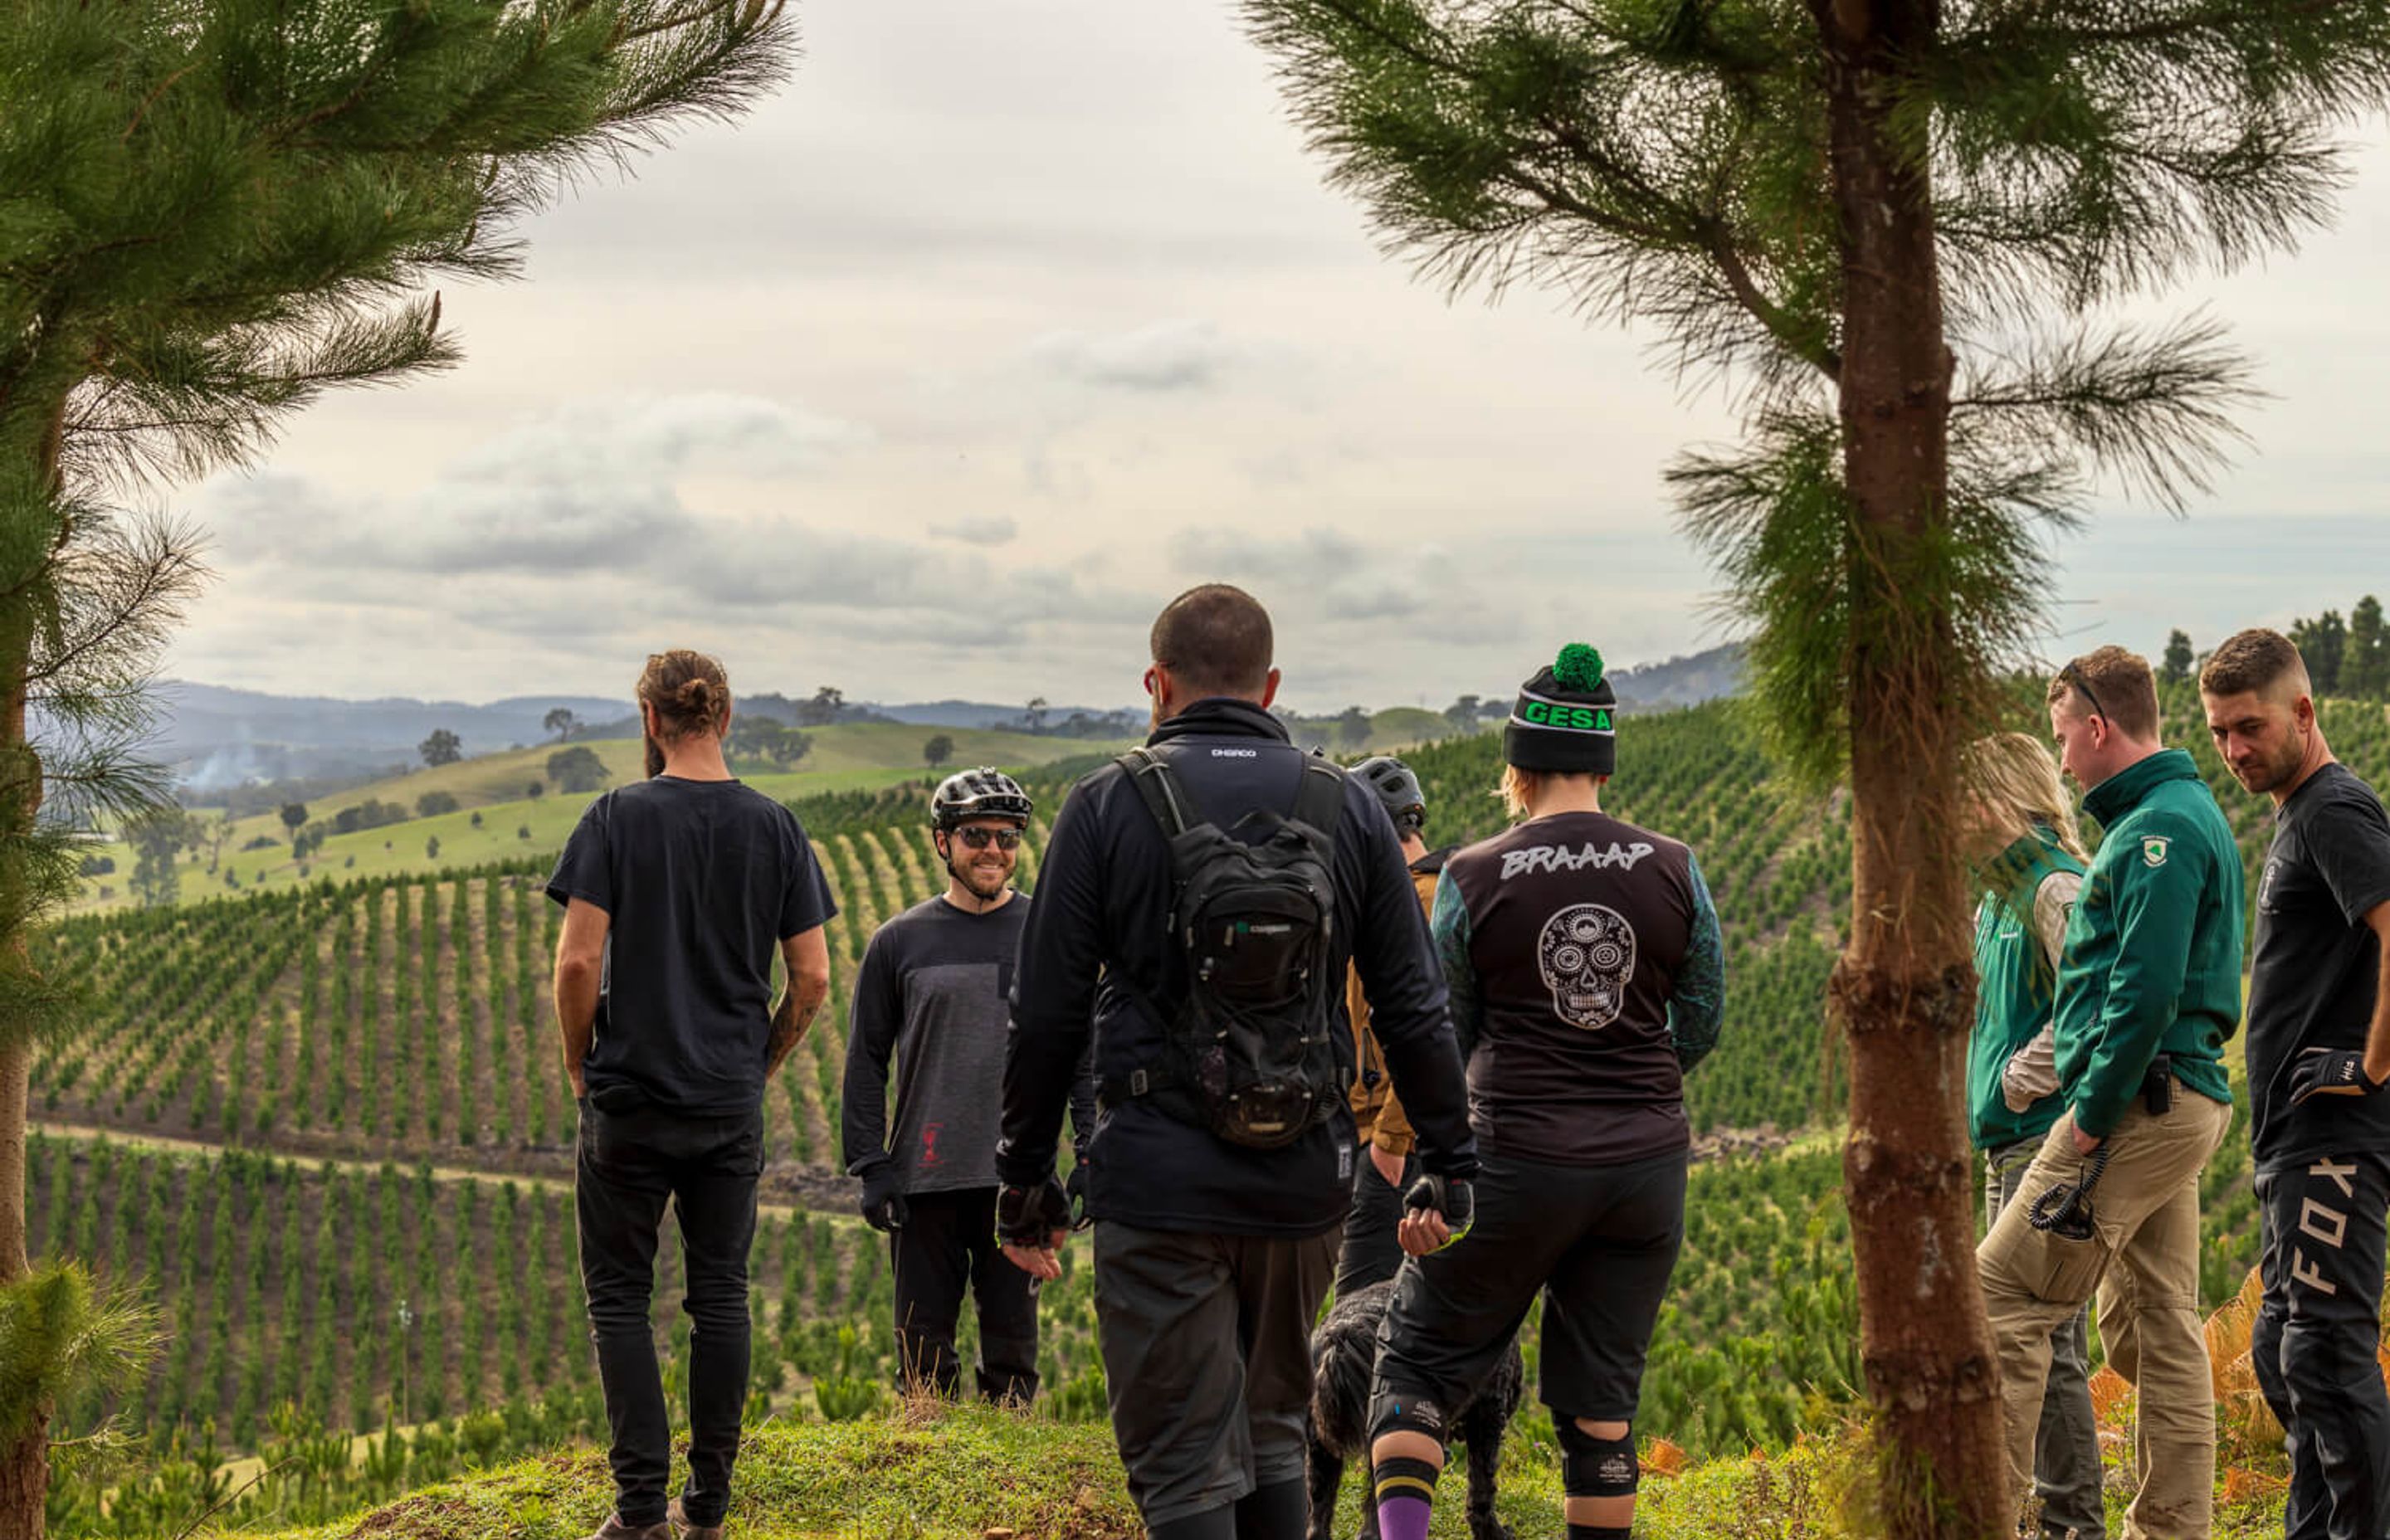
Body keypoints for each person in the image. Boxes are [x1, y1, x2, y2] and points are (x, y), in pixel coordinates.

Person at [994, 583, 1477, 1540]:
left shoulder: (1105, 804)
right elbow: (1413, 1002)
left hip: (1157, 1182)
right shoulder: (1347, 805)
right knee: (1272, 1432)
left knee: (1181, 1464)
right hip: (1304, 1185)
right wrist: (1452, 1162)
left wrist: (1023, 1176)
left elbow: (1046, 1014)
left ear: (1155, 681)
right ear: (1272, 685)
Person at [1362, 642, 1724, 1540]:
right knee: (1601, 1410)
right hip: (1643, 1169)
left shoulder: (1476, 874)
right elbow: (1704, 1017)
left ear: (1517, 767)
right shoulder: (1677, 867)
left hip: (1510, 1158)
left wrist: (1439, 1171)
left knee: (1414, 1365)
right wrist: (1632, 1089)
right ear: (1604, 763)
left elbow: (1441, 1035)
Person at [548, 651, 835, 1540]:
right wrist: (760, 1062)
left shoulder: (615, 818)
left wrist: (577, 1058)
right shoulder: (776, 826)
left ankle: (639, 1512)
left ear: (648, 719)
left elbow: (577, 958)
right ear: (728, 715)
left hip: (630, 1099)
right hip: (725, 1103)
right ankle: (707, 1507)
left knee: (619, 1299)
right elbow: (814, 977)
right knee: (720, 1296)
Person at [1978, 645, 2242, 1540]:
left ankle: (1980, 1518)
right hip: (2178, 1101)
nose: (2059, 761)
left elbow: (2144, 989)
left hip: (2135, 1107)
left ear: (2097, 726)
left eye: (2062, 736)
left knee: (2003, 1297)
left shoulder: (2157, 830)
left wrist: (2087, 1120)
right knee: (2156, 1323)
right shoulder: (2176, 812)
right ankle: (2171, 1527)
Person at [2200, 628, 2390, 1540]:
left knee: (2324, 1354)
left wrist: (2372, 1065)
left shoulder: (2333, 810)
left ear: (2303, 712)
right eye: (2219, 732)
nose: (2235, 749)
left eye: (2250, 726)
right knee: (2283, 1350)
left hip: (2337, 1141)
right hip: (2292, 1142)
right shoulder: (2299, 813)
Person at [841, 768, 1085, 1404]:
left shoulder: (1047, 933)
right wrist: (871, 1165)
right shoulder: (898, 942)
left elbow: (1082, 1052)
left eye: (1008, 838)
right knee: (922, 1361)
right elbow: (865, 1060)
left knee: (1014, 1361)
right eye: (976, 835)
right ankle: (924, 1479)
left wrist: (1089, 1151)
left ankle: (1011, 1494)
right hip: (925, 1177)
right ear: (941, 842)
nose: (994, 851)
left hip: (1021, 1181)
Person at [1961, 732, 2102, 1540]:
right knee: (2033, 1337)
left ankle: (2072, 1523)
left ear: (2002, 795)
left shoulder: (2053, 884)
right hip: (2008, 1142)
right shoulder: (1996, 895)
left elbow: (2099, 995)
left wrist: (2019, 1076)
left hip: (2045, 1137)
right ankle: (2060, 1516)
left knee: (2041, 1340)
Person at [1334, 754, 1456, 1297]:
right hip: (1392, 1140)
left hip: (1397, 1148)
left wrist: (1389, 1140)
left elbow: (1435, 1027)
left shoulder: (1418, 901)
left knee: (1358, 1316)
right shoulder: (1410, 894)